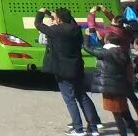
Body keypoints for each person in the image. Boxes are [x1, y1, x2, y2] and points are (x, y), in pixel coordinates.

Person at [37, 8, 101, 136]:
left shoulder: (55, 31)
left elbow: (38, 24)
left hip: (62, 69)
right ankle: (93, 128)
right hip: (77, 67)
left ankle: (78, 128)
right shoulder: (76, 29)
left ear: (59, 19)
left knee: (70, 99)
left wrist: (40, 13)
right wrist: (58, 17)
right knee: (82, 96)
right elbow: (70, 22)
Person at [88, 14, 138, 136]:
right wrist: (107, 11)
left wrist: (91, 15)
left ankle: (124, 133)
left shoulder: (108, 39)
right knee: (126, 109)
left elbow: (92, 30)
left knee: (117, 115)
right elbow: (118, 20)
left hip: (111, 87)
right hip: (122, 81)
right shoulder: (125, 35)